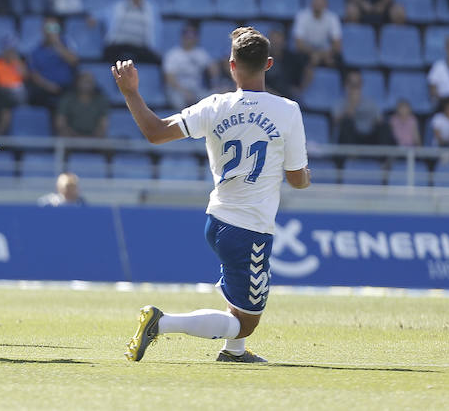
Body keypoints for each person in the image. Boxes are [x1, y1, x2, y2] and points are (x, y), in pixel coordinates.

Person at [115, 27, 311, 364]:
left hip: (217, 219)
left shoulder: (215, 106)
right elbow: (296, 180)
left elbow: (155, 132)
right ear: (269, 64)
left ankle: (233, 353)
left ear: (231, 65)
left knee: (239, 299)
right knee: (246, 322)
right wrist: (306, 177)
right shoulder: (287, 110)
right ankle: (161, 323)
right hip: (249, 226)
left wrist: (131, 93)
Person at [102, 0, 161, 65]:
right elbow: (102, 13)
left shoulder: (151, 9)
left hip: (140, 46)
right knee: (108, 54)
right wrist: (93, 18)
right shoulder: (118, 6)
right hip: (119, 44)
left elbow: (156, 31)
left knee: (156, 59)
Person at [26, 15, 79, 108]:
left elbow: (74, 61)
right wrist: (48, 86)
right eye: (48, 27)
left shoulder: (66, 43)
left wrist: (57, 44)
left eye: (54, 27)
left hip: (66, 88)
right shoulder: (35, 50)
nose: (51, 31)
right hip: (44, 89)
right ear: (43, 29)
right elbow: (34, 75)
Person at [163, 23, 219, 108]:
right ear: (182, 37)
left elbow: (213, 69)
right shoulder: (173, 54)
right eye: (187, 36)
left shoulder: (200, 53)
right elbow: (169, 79)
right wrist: (184, 91)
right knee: (180, 101)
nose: (189, 39)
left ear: (196, 38)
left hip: (196, 89)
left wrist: (215, 80)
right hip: (177, 90)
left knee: (211, 99)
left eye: (192, 37)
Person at [332, 70, 385, 145]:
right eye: (352, 84)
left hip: (369, 136)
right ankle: (351, 155)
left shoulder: (370, 103)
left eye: (358, 84)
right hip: (351, 138)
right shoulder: (339, 103)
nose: (355, 87)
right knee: (346, 123)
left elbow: (380, 120)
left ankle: (387, 155)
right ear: (346, 85)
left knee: (384, 127)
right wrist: (352, 105)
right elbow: (336, 123)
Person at [291, 0, 342, 67]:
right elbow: (299, 44)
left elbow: (337, 45)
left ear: (326, 4)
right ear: (311, 3)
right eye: (315, 0)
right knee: (296, 58)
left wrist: (321, 55)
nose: (317, 3)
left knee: (338, 59)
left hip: (326, 53)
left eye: (320, 1)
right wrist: (313, 54)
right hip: (306, 52)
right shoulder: (301, 16)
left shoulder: (332, 18)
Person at [55, 70, 109, 137]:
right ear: (77, 82)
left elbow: (103, 125)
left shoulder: (101, 100)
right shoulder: (67, 99)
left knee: (107, 144)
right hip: (70, 137)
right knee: (61, 139)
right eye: (84, 81)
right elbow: (61, 123)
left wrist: (92, 138)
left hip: (94, 138)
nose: (87, 84)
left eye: (90, 82)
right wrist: (74, 137)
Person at [264, 27, 311, 100]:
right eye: (273, 40)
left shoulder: (292, 58)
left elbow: (309, 69)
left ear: (284, 41)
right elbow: (258, 83)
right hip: (269, 98)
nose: (276, 43)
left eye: (278, 40)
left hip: (290, 98)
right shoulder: (262, 59)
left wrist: (301, 88)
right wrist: (275, 96)